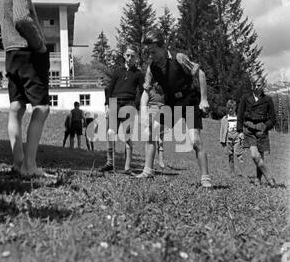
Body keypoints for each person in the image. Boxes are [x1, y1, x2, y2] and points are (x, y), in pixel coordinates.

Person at [0, 0, 51, 177]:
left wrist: (8, 41)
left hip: (11, 56)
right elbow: (22, 19)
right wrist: (41, 46)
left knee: (16, 107)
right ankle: (30, 166)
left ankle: (18, 163)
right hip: (28, 53)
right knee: (42, 108)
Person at [137, 30, 212, 188]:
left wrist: (204, 100)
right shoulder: (152, 68)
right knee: (151, 132)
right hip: (171, 103)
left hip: (190, 100)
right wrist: (143, 110)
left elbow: (201, 74)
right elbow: (146, 89)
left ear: (163, 47)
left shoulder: (179, 58)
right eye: (148, 52)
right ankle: (147, 171)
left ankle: (206, 179)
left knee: (196, 141)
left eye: (153, 51)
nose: (151, 55)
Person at [100, 47, 144, 174]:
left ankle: (127, 167)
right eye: (128, 55)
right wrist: (107, 105)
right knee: (110, 133)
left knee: (127, 136)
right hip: (114, 103)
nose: (130, 58)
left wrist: (135, 105)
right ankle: (109, 163)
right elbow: (110, 88)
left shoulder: (138, 73)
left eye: (133, 56)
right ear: (124, 56)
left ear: (135, 58)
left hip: (129, 103)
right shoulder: (117, 71)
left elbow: (142, 92)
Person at [237, 77, 277, 187]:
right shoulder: (246, 98)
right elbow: (240, 115)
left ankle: (258, 180)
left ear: (262, 85)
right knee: (255, 155)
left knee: (260, 157)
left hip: (261, 130)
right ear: (251, 85)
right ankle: (270, 178)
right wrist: (240, 130)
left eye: (259, 85)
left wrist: (265, 126)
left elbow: (273, 118)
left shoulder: (268, 99)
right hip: (249, 129)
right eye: (254, 85)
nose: (256, 87)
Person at [220, 100, 244, 175]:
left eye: (232, 108)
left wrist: (242, 135)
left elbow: (242, 127)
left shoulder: (239, 118)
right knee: (230, 156)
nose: (230, 110)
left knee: (239, 156)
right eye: (229, 108)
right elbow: (222, 130)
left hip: (237, 138)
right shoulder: (224, 118)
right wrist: (222, 140)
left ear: (235, 108)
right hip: (228, 139)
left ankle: (243, 173)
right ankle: (232, 172)